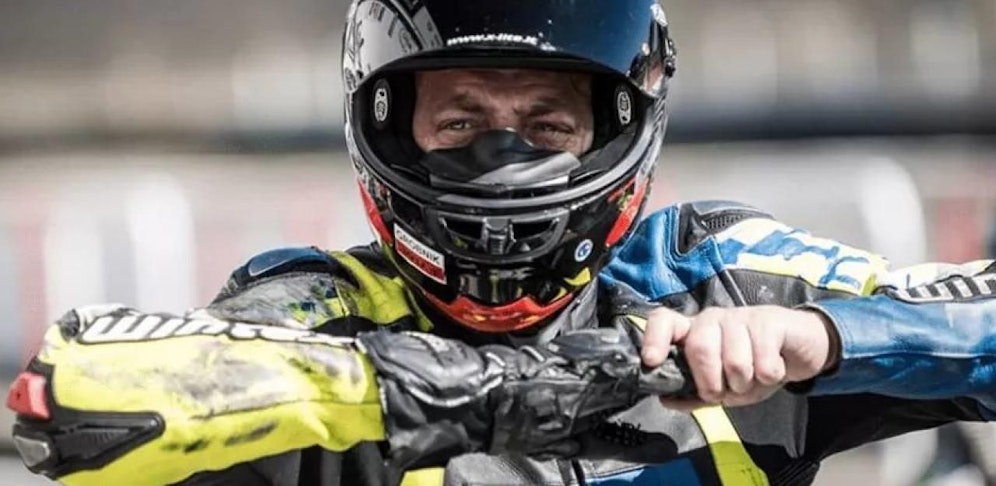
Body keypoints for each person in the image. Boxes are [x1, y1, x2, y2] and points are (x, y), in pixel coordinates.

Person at [6, 1, 996, 485]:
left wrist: (826, 338)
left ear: (615, 131)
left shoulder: (722, 278)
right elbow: (66, 396)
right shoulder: (319, 309)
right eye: (462, 122)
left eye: (546, 125)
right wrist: (469, 391)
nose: (504, 157)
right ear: (393, 130)